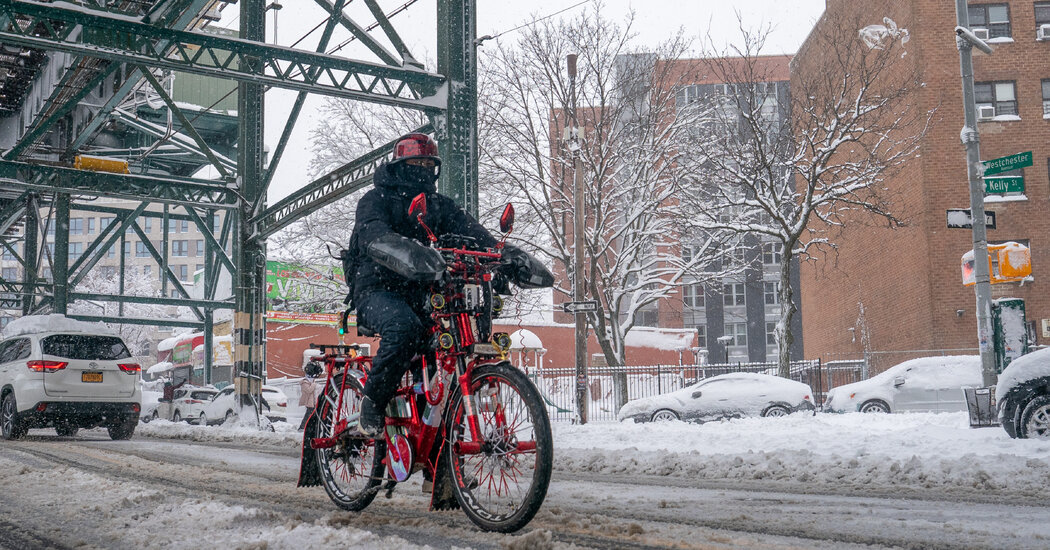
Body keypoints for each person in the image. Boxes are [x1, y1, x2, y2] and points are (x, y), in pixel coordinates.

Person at [348, 133, 502, 437]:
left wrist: (502, 254)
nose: (422, 168)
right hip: (377, 289)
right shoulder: (375, 200)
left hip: (424, 293)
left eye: (428, 163)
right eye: (416, 162)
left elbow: (472, 232)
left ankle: (437, 447)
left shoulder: (439, 205)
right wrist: (411, 252)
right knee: (405, 329)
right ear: (400, 165)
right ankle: (373, 400)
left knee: (448, 343)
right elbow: (372, 236)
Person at [298, 361, 323, 431]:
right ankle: (302, 427)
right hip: (309, 401)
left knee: (311, 415)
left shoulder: (310, 382)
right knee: (308, 415)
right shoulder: (304, 383)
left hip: (312, 401)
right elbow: (309, 390)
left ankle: (308, 427)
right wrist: (314, 385)